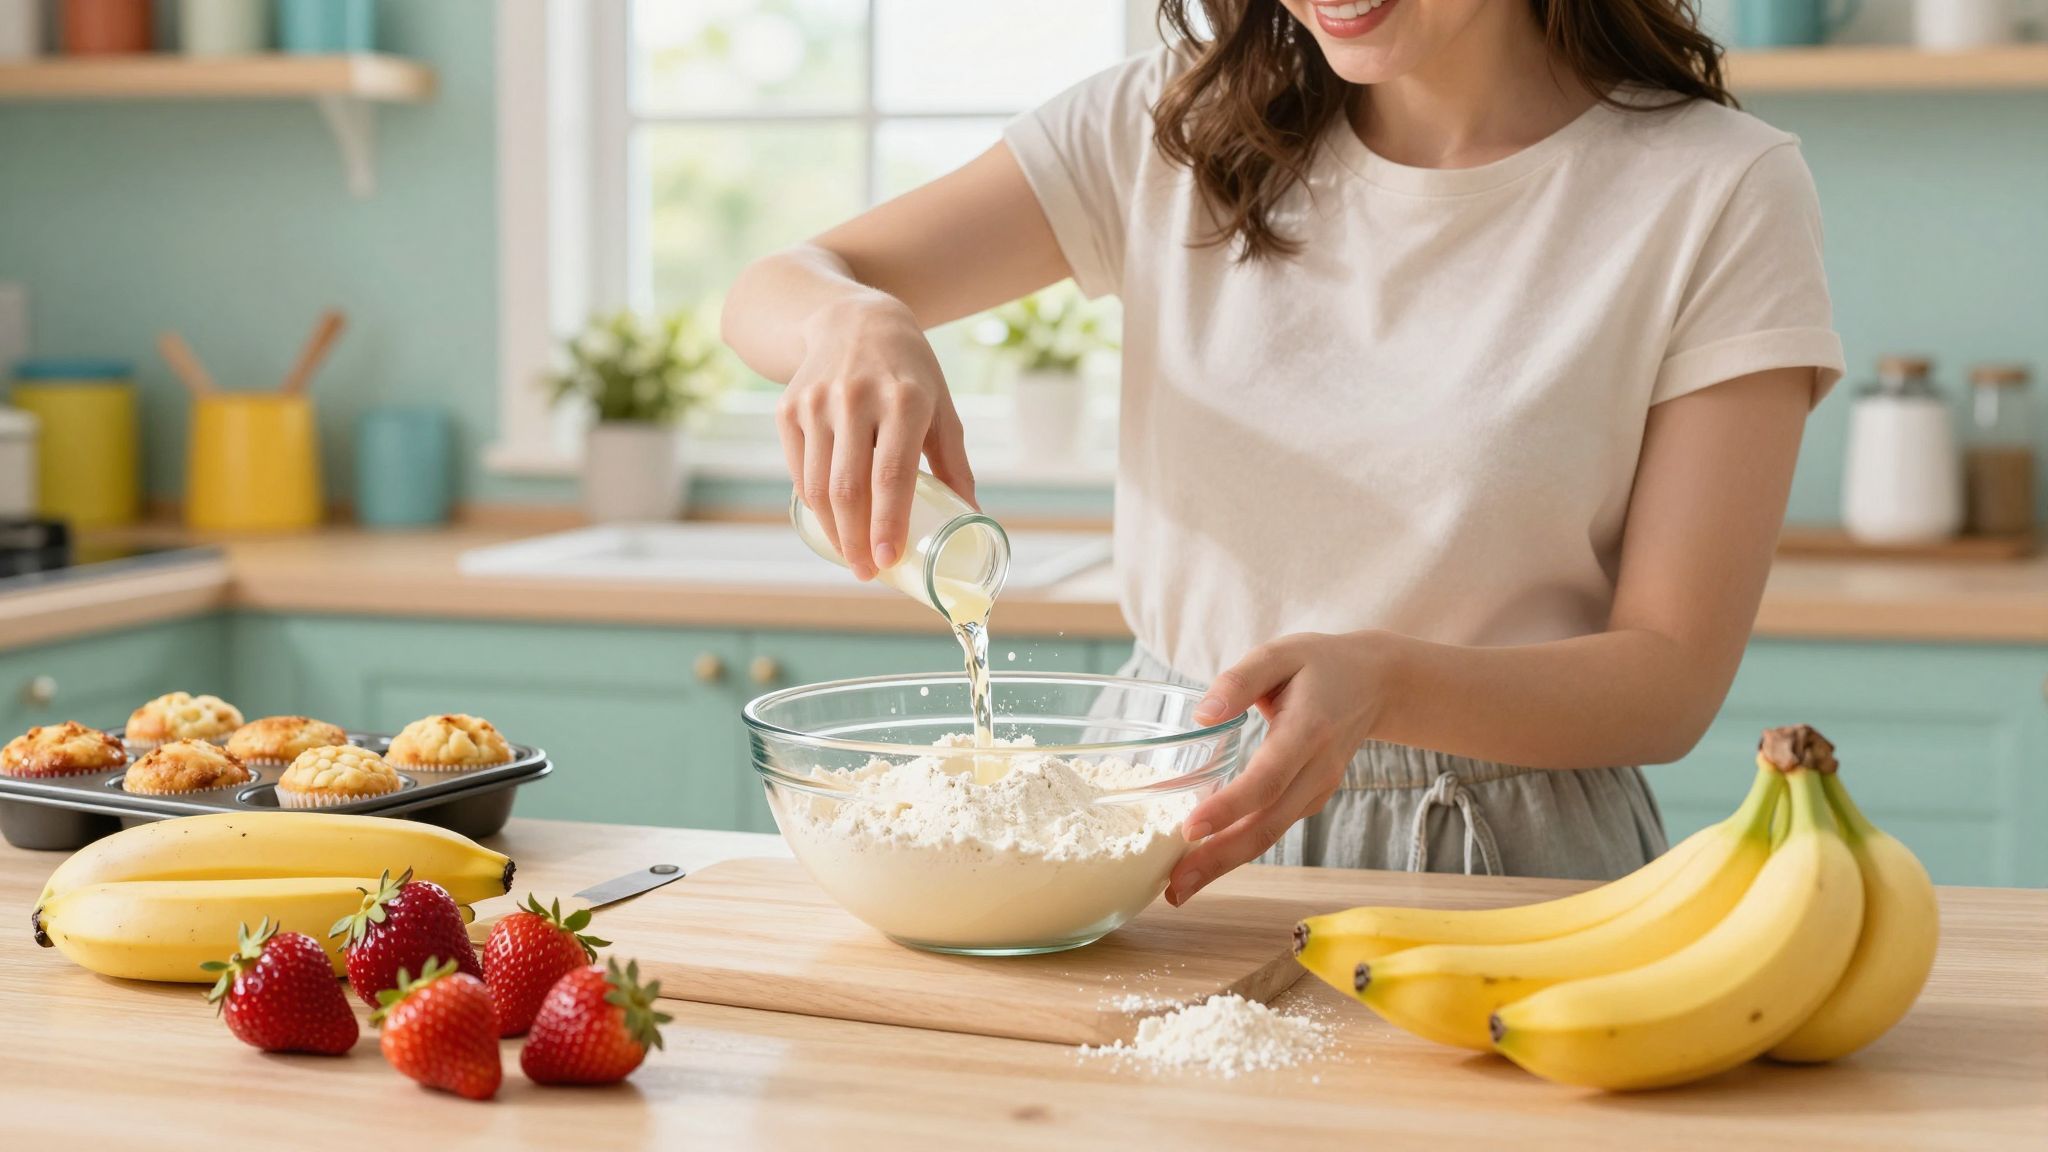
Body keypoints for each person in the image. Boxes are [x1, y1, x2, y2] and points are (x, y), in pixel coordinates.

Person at [721, 0, 1843, 906]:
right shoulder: (1167, 131)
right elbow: (777, 283)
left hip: (1493, 857)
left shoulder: (1716, 189)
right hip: (1149, 813)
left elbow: (1667, 681)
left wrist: (1385, 682)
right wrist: (850, 322)